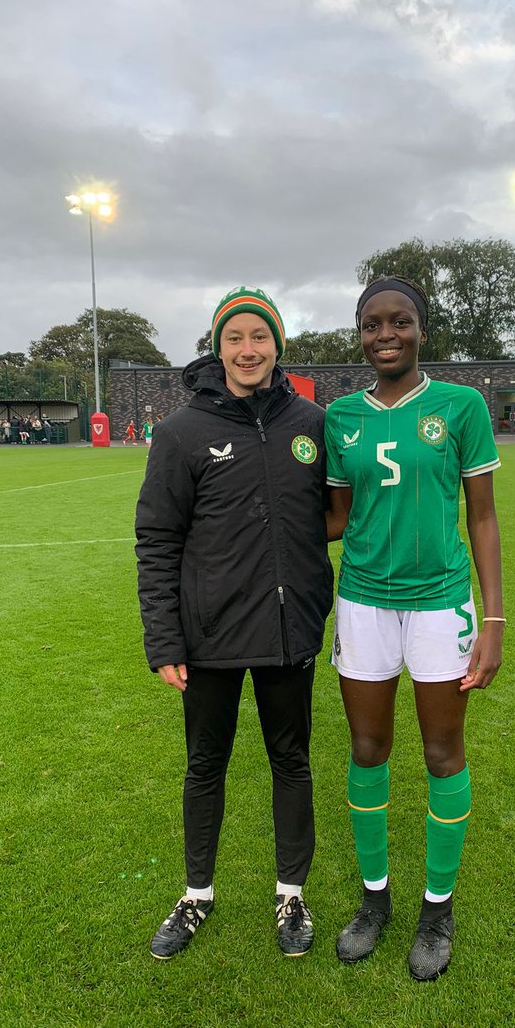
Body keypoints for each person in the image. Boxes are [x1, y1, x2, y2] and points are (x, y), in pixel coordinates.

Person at [135, 286, 333, 962]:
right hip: (209, 636)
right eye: (234, 337)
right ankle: (196, 897)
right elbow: (157, 539)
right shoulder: (181, 431)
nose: (248, 349)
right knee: (205, 766)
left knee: (291, 760)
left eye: (259, 336)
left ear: (278, 344)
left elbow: (332, 516)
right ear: (217, 347)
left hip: (287, 634)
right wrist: (163, 637)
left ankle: (291, 895)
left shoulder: (311, 421)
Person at [325, 275, 504, 982]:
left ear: (423, 330)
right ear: (360, 334)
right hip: (364, 602)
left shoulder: (461, 406)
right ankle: (375, 903)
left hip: (440, 604)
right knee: (367, 749)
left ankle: (437, 910)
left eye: (400, 321)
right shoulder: (341, 417)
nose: (386, 334)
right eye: (372, 324)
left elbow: (482, 516)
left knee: (441, 754)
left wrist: (491, 619)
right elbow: (335, 520)